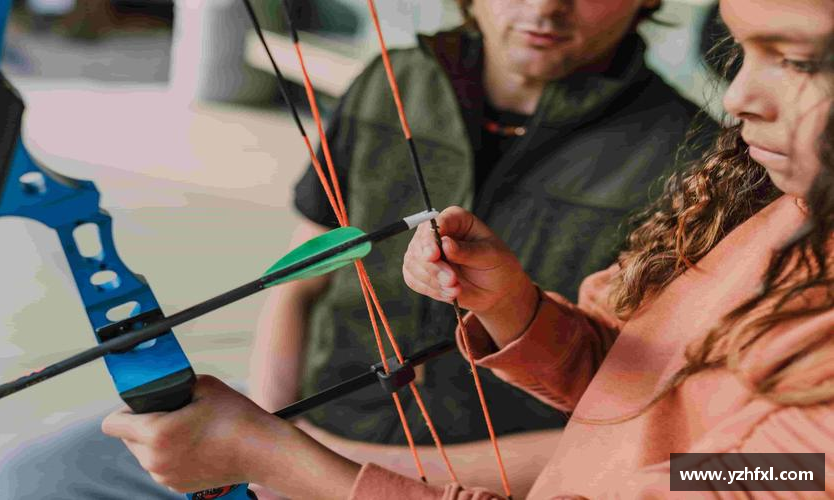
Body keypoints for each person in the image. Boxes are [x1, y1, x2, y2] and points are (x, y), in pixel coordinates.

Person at [100, 0, 834, 497]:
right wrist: (516, 310)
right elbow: (646, 402)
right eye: (740, 52)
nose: (737, 98)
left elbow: (704, 472)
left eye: (797, 61)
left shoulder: (795, 458)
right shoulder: (783, 209)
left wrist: (290, 463)